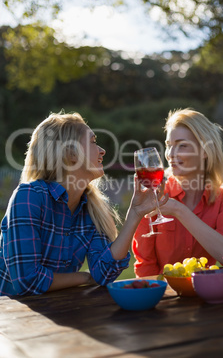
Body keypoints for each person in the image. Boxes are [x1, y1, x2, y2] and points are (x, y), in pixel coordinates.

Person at [0, 112, 167, 296]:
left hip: (59, 312)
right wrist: (85, 277)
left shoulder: (91, 208)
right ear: (70, 152)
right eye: (93, 142)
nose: (102, 150)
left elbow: (104, 274)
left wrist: (135, 213)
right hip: (11, 316)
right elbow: (27, 281)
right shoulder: (29, 197)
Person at [133, 108, 223, 277]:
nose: (170, 154)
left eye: (182, 145)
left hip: (208, 294)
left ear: (205, 151)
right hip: (164, 296)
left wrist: (179, 210)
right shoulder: (155, 194)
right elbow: (145, 265)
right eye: (169, 145)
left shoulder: (221, 197)